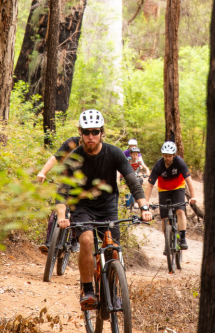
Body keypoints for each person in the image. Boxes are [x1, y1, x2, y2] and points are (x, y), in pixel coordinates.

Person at [56, 109, 152, 311]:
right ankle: (88, 289)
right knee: (87, 240)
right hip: (82, 206)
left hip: (108, 206)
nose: (91, 136)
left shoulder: (114, 153)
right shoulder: (74, 157)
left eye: (95, 131)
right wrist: (62, 216)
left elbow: (133, 181)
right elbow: (62, 192)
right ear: (80, 133)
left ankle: (114, 291)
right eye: (86, 132)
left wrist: (143, 206)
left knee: (113, 250)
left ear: (102, 132)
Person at [144, 141, 197, 251]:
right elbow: (149, 185)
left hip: (178, 188)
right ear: (162, 155)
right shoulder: (158, 165)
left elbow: (189, 180)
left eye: (169, 156)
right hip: (164, 190)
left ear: (174, 155)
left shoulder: (179, 162)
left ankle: (182, 239)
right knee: (164, 218)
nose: (167, 158)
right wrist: (146, 202)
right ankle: (167, 242)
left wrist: (193, 196)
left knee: (180, 211)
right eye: (165, 156)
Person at [37, 135, 81, 254]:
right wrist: (42, 172)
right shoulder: (72, 142)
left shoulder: (95, 146)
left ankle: (75, 239)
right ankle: (49, 242)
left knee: (76, 207)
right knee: (58, 207)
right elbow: (55, 158)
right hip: (66, 178)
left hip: (83, 181)